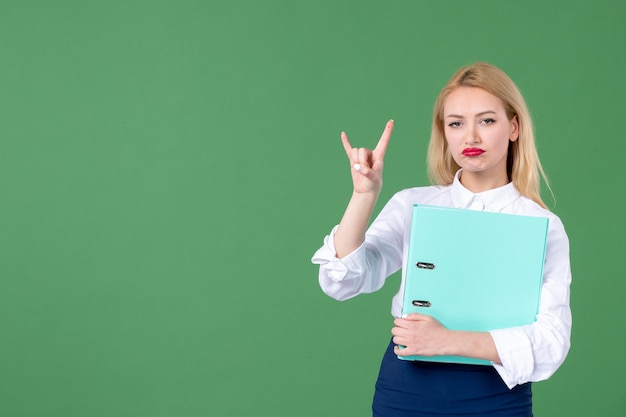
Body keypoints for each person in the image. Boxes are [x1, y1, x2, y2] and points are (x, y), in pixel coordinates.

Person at [311, 62, 571, 417]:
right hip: (405, 391)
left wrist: (448, 340)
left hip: (496, 396)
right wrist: (364, 195)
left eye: (487, 120)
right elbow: (341, 281)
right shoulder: (413, 204)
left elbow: (552, 341)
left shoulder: (542, 224)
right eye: (456, 123)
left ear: (514, 126)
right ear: (444, 132)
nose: (471, 137)